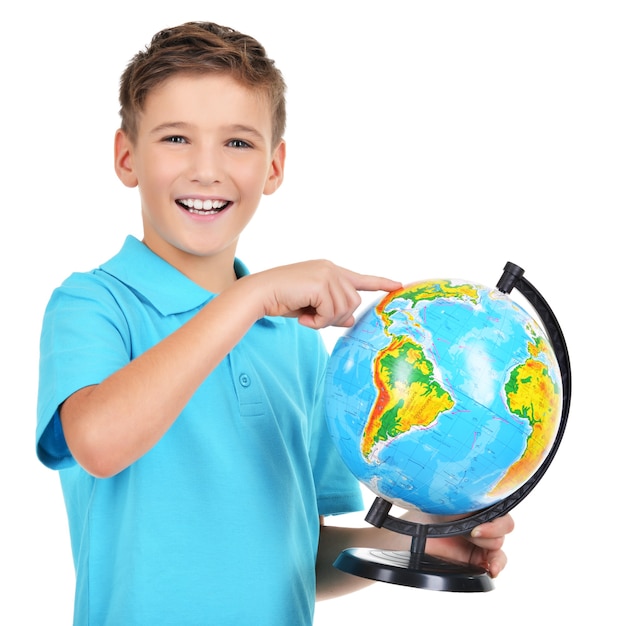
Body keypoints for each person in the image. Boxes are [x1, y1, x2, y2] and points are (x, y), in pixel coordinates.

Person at [36, 21, 514, 625]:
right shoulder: (94, 304)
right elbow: (98, 443)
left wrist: (417, 542)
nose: (206, 170)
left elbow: (298, 555)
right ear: (126, 156)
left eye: (237, 143)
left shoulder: (295, 341)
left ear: (274, 166)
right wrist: (252, 295)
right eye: (176, 138)